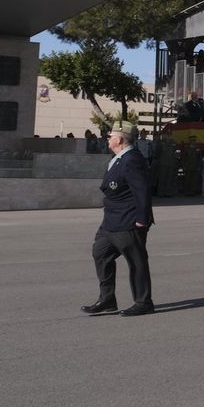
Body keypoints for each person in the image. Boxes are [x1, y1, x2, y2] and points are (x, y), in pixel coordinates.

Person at [81, 125, 155, 316]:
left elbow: (142, 191)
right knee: (100, 253)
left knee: (136, 261)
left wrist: (142, 219)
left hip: (128, 220)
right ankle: (107, 299)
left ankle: (143, 302)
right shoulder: (118, 158)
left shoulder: (132, 160)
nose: (107, 139)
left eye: (110, 136)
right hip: (111, 220)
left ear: (120, 139)